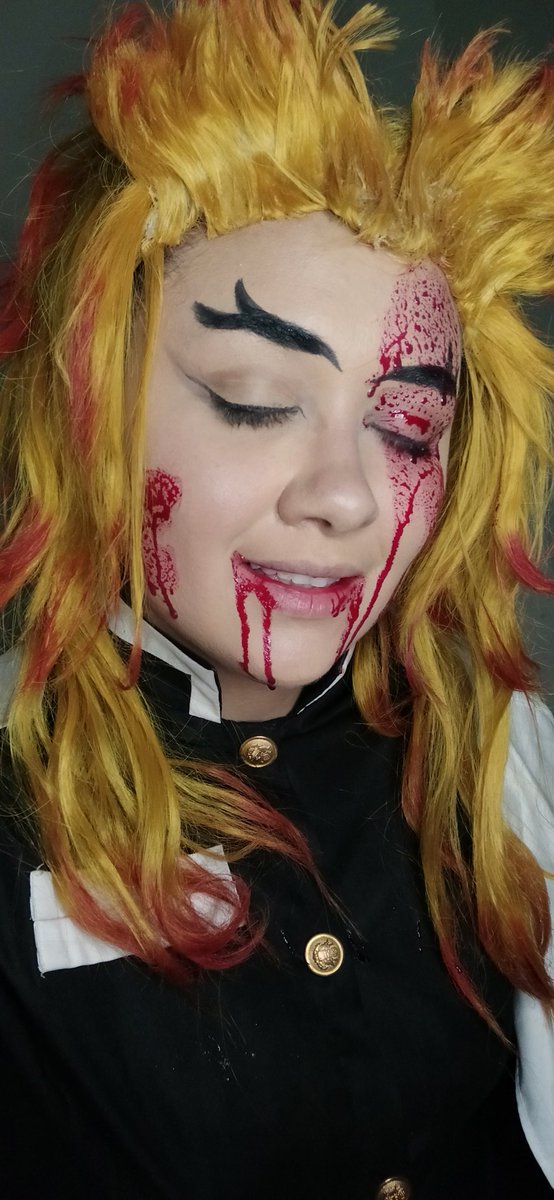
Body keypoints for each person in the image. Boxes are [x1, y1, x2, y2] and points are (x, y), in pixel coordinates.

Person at [0, 2, 553, 1196]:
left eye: (405, 425)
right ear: (87, 401)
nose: (345, 497)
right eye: (254, 401)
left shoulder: (507, 769)